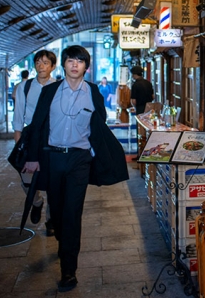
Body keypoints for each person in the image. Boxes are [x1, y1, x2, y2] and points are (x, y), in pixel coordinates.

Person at [23, 45, 128, 292]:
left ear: (86, 67)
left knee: (72, 213)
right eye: (70, 60)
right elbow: (37, 125)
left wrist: (100, 155)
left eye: (79, 62)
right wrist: (32, 157)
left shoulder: (92, 92)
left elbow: (99, 124)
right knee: (57, 212)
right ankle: (61, 235)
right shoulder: (50, 92)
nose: (74, 65)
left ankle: (69, 270)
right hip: (53, 158)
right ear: (64, 64)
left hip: (80, 160)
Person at [12, 50, 57, 236]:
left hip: (53, 136)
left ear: (52, 66)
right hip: (31, 137)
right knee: (27, 179)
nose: (41, 66)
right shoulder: (25, 86)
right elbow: (18, 114)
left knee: (53, 180)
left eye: (46, 62)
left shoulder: (59, 86)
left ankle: (51, 219)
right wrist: (18, 141)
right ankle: (36, 201)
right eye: (38, 62)